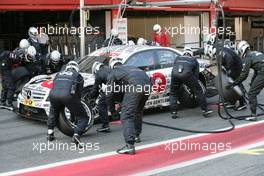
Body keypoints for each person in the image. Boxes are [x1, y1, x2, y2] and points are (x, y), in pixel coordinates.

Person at [106, 65, 151, 154]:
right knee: (138, 111)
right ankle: (136, 136)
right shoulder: (130, 68)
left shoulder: (113, 72)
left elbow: (109, 93)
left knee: (126, 115)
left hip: (136, 86)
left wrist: (112, 110)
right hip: (147, 85)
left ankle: (129, 145)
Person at [47, 61, 88, 146]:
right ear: (76, 68)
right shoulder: (78, 76)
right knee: (83, 117)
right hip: (67, 96)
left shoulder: (59, 74)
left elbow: (54, 85)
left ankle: (50, 133)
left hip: (53, 94)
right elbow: (79, 93)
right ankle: (76, 135)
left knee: (53, 111)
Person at [170, 48, 213, 119]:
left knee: (173, 92)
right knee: (199, 91)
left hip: (175, 75)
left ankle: (174, 112)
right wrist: (193, 85)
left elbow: (174, 68)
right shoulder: (194, 60)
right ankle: (205, 110)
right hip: (187, 75)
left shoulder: (177, 58)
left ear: (183, 53)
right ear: (191, 54)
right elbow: (196, 75)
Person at [226, 41, 264, 121]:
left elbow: (244, 74)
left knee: (251, 93)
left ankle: (253, 115)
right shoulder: (256, 52)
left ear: (242, 49)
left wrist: (234, 83)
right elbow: (257, 69)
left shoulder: (248, 57)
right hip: (261, 71)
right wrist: (253, 81)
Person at [208, 45, 247, 111]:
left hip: (236, 67)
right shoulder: (219, 50)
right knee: (229, 84)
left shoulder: (221, 52)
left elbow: (229, 59)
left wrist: (228, 70)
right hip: (233, 66)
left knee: (235, 83)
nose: (213, 57)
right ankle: (232, 102)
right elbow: (220, 62)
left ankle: (243, 103)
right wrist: (210, 65)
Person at [89, 61, 112, 132]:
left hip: (113, 88)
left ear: (96, 69)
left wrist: (91, 95)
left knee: (101, 104)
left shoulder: (99, 73)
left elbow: (95, 88)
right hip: (122, 88)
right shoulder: (109, 69)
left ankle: (105, 126)